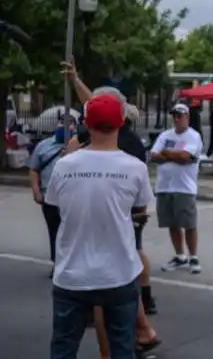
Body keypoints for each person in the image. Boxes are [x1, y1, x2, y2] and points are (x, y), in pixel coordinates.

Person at [46, 94, 155, 359]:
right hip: (118, 275)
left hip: (72, 275)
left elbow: (56, 205)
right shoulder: (135, 168)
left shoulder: (64, 166)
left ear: (87, 125)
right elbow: (141, 211)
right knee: (122, 347)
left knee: (63, 347)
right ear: (120, 123)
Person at [151, 103, 205, 274]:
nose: (176, 118)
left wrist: (167, 153)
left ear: (187, 117)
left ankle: (193, 257)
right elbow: (154, 156)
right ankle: (180, 256)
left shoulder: (193, 136)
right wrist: (173, 155)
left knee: (188, 224)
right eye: (174, 115)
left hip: (184, 187)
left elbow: (185, 157)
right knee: (172, 224)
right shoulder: (165, 135)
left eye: (180, 115)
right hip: (165, 186)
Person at [28, 114, 76, 278]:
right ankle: (57, 264)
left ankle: (72, 265)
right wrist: (36, 190)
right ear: (58, 124)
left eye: (70, 124)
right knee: (54, 232)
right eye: (63, 123)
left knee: (72, 232)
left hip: (73, 198)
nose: (66, 127)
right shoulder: (44, 146)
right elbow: (34, 169)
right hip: (49, 196)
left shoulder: (80, 146)